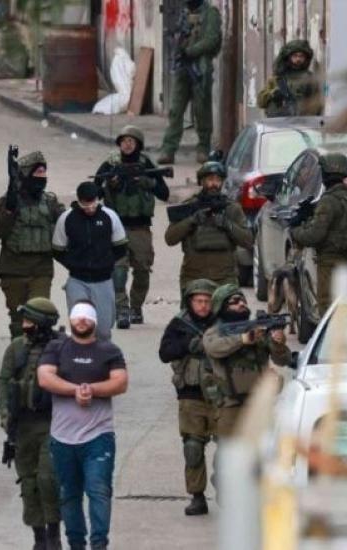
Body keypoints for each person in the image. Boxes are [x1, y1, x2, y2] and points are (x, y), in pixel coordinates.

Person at [37, 302, 129, 550]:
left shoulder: (108, 350)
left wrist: (93, 390)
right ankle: (76, 544)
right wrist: (75, 390)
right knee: (69, 495)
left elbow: (120, 382)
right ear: (70, 319)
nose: (82, 320)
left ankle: (99, 544)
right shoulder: (57, 347)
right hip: (62, 437)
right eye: (78, 316)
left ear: (95, 321)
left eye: (87, 316)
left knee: (99, 491)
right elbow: (45, 377)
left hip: (98, 436)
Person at [0, 298, 66, 550]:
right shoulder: (16, 348)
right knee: (28, 482)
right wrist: (6, 415)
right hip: (22, 425)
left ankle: (53, 533)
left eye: (29, 321)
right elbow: (4, 382)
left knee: (48, 479)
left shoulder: (61, 348)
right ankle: (39, 537)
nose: (24, 325)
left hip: (52, 424)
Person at [94, 126, 170, 329]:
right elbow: (94, 192)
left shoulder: (146, 164)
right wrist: (109, 184)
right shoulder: (111, 163)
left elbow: (164, 193)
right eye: (124, 141)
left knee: (143, 271)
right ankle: (122, 309)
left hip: (140, 228)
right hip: (116, 228)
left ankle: (136, 307)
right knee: (118, 271)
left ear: (138, 144)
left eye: (131, 141)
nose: (127, 145)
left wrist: (147, 182)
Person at [157, 279, 218, 516]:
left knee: (228, 449)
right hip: (190, 395)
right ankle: (197, 496)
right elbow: (165, 353)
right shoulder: (179, 324)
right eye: (198, 301)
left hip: (221, 396)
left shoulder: (223, 323)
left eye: (207, 301)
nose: (203, 306)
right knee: (192, 448)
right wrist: (188, 345)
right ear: (190, 302)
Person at [290, 153, 347, 315]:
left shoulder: (329, 201)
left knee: (328, 309)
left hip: (330, 264)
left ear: (326, 174)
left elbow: (314, 235)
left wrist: (295, 230)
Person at [202, 285, 291, 445]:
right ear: (221, 307)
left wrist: (278, 343)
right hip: (229, 406)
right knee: (229, 455)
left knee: (263, 453)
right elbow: (214, 348)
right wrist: (242, 339)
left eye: (243, 300)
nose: (241, 304)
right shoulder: (213, 333)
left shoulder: (258, 330)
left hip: (259, 404)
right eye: (235, 301)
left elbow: (283, 360)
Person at [0, 151, 66, 338]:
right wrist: (9, 210)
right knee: (18, 320)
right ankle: (18, 352)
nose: (42, 176)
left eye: (44, 172)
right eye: (37, 172)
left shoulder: (50, 202)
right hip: (13, 269)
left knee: (38, 314)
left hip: (41, 270)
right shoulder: (9, 200)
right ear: (26, 174)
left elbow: (66, 225)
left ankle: (37, 353)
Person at [52, 182, 128, 341]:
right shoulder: (67, 218)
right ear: (79, 200)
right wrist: (74, 264)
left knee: (103, 331)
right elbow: (58, 250)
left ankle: (102, 354)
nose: (90, 207)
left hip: (104, 280)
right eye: (85, 204)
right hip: (77, 280)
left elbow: (121, 247)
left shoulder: (110, 216)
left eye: (93, 202)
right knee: (81, 326)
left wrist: (106, 263)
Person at [165, 161, 252, 293]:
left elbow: (248, 240)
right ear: (202, 181)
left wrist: (227, 224)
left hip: (225, 278)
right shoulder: (190, 207)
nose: (214, 184)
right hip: (194, 278)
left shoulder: (232, 208)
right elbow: (170, 238)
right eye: (210, 179)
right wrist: (192, 220)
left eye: (218, 180)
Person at [157, 0, 222, 165]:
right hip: (183, 67)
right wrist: (178, 46)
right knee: (175, 110)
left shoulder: (210, 13)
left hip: (200, 68)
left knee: (202, 110)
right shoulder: (184, 13)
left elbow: (211, 40)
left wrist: (190, 51)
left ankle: (203, 148)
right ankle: (168, 149)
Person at [256, 39, 323, 117]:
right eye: (295, 56)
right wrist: (272, 95)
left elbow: (317, 105)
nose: (298, 59)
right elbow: (261, 102)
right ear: (288, 57)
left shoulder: (310, 79)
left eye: (301, 56)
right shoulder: (277, 78)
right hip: (278, 122)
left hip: (302, 121)